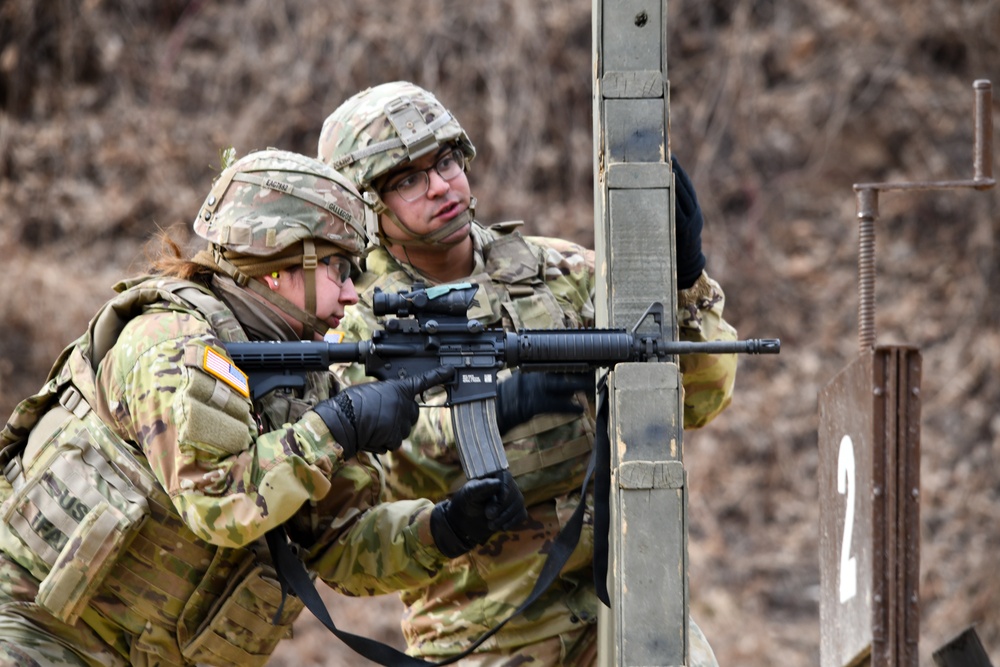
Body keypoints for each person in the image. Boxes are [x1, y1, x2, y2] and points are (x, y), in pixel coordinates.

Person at [0, 149, 525, 666]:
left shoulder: (301, 375)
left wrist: (446, 526)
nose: (350, 295)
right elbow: (219, 502)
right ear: (280, 266)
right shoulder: (170, 341)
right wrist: (337, 428)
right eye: (341, 269)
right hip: (41, 634)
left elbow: (339, 544)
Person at [315, 81, 738, 666]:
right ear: (367, 206)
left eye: (445, 162)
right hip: (487, 633)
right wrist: (499, 407)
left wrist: (687, 280)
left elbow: (697, 402)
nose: (441, 186)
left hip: (629, 607)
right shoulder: (353, 323)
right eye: (407, 180)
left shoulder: (561, 272)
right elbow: (367, 494)